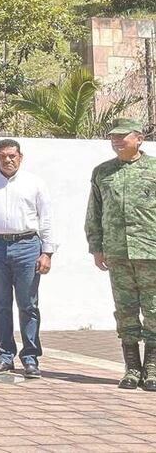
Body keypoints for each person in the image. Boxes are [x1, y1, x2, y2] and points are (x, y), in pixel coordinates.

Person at [0, 138, 55, 379]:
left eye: (12, 156)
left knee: (28, 304)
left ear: (20, 157)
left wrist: (47, 252)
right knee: (1, 304)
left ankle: (30, 358)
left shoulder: (34, 183)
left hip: (27, 245)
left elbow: (46, 218)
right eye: (2, 156)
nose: (8, 160)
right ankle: (5, 355)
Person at [85, 117, 156, 391]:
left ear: (138, 138)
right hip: (118, 252)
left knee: (153, 310)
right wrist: (96, 246)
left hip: (150, 251)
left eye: (122, 136)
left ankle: (151, 369)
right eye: (113, 137)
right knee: (125, 311)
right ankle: (131, 369)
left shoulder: (153, 169)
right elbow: (95, 213)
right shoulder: (102, 172)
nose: (116, 140)